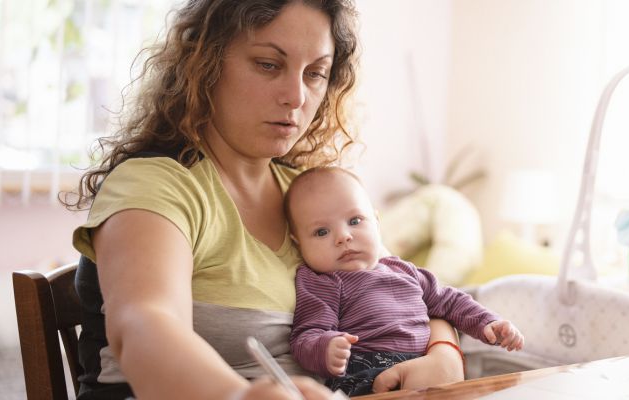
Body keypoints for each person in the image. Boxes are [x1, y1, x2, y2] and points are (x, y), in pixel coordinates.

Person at [65, 1, 465, 399]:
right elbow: (143, 325)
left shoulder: (308, 191)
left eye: (315, 74)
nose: (296, 96)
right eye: (268, 65)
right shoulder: (154, 183)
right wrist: (238, 396)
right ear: (204, 63)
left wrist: (443, 352)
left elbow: (398, 283)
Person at [284, 167, 524, 395]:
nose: (343, 237)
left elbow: (450, 301)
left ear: (376, 222)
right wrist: (326, 348)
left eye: (355, 221)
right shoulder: (322, 281)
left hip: (426, 365)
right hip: (369, 374)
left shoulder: (404, 270)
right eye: (321, 232)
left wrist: (488, 323)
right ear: (298, 243)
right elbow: (307, 334)